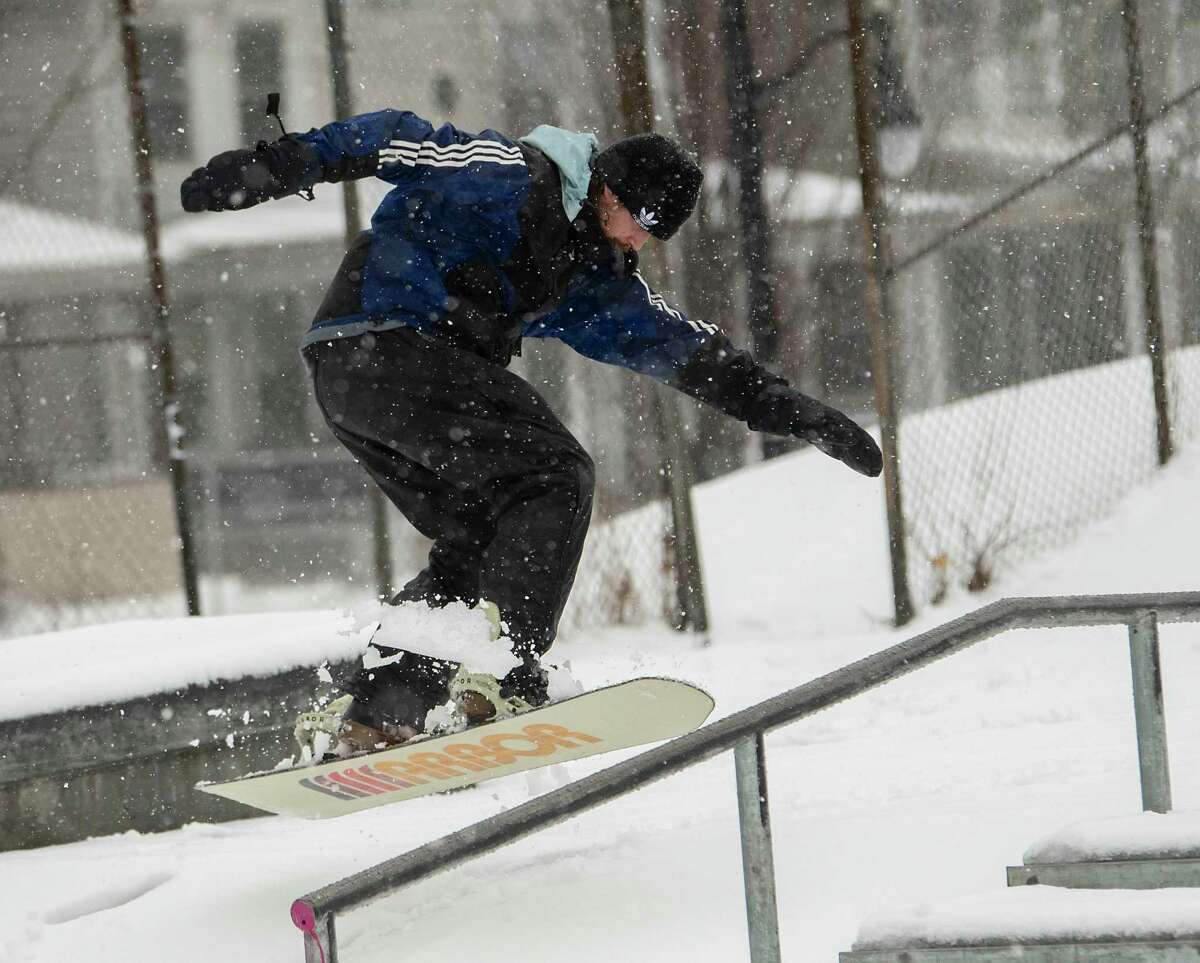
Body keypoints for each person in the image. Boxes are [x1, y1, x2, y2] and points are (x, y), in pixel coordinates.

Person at [180, 108, 882, 754]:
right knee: (556, 475)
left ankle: (380, 711)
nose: (642, 237)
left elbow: (678, 346)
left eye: (656, 233)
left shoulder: (591, 281)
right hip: (385, 338)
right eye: (641, 218)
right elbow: (392, 137)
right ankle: (502, 668)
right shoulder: (510, 171)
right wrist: (281, 164)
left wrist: (789, 408)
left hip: (361, 384)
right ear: (607, 188)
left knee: (480, 537)